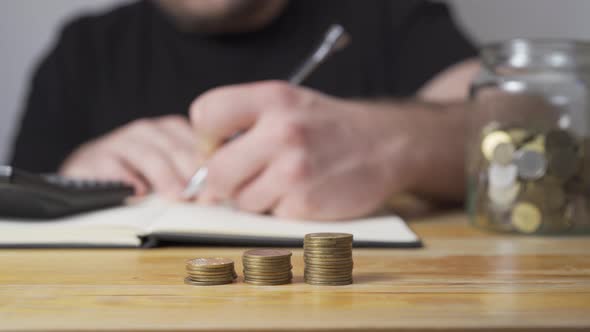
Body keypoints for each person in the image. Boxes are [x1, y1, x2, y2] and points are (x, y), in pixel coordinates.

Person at [11, 0, 480, 220]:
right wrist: (71, 179)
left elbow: (519, 121)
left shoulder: (386, 14)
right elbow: (11, 201)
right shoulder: (85, 47)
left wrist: (390, 144)